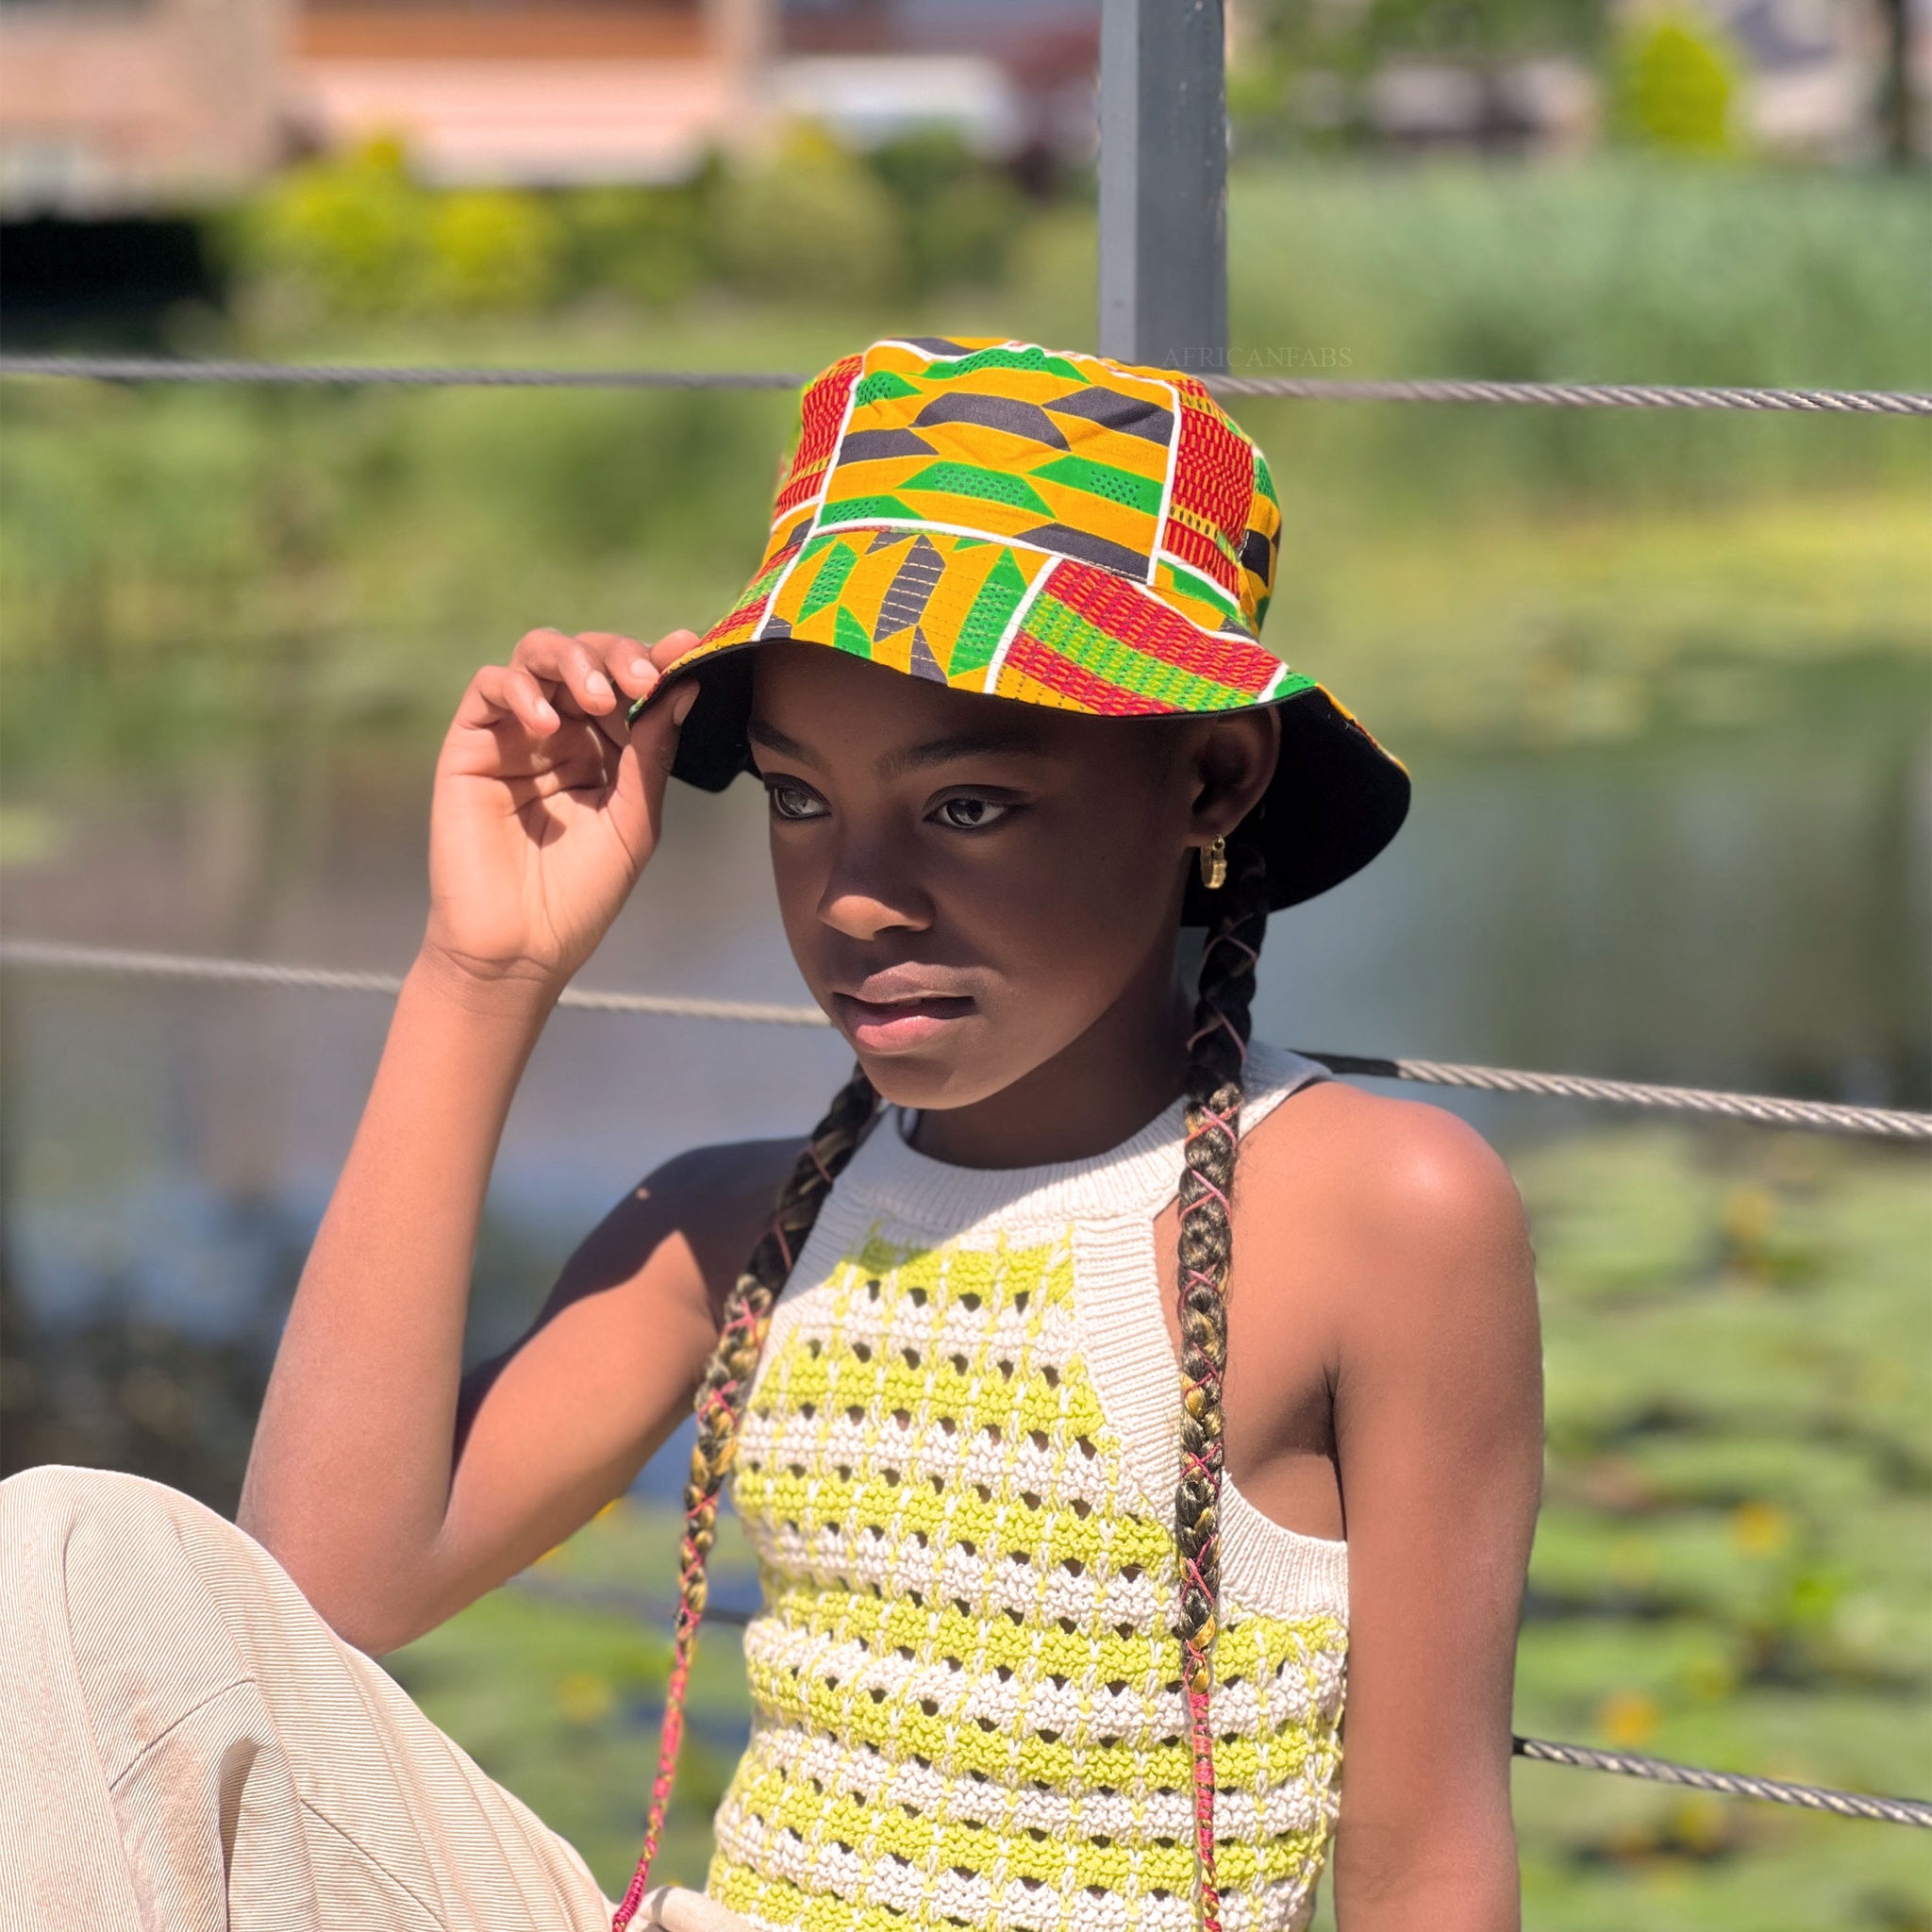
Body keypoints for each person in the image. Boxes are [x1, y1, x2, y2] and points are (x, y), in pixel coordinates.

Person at [0, 338, 1544, 1932]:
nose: (859, 895)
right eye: (801, 801)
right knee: (66, 1552)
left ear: (1211, 776)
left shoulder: (1385, 1211)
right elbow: (323, 1586)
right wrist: (488, 969)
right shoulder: (735, 1232)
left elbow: (1429, 1860)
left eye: (968, 806)